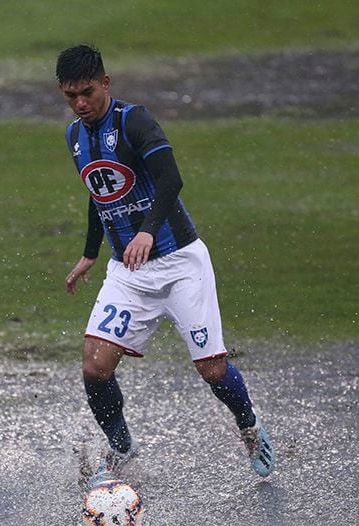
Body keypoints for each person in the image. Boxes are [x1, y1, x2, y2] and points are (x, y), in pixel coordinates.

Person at [55, 45, 275, 485]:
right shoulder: (74, 136)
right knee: (95, 367)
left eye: (87, 92)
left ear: (105, 83)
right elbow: (99, 193)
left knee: (211, 370)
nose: (80, 103)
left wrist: (148, 230)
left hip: (179, 262)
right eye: (70, 96)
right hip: (128, 272)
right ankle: (122, 448)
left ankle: (249, 427)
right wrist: (90, 253)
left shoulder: (132, 119)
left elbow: (171, 178)